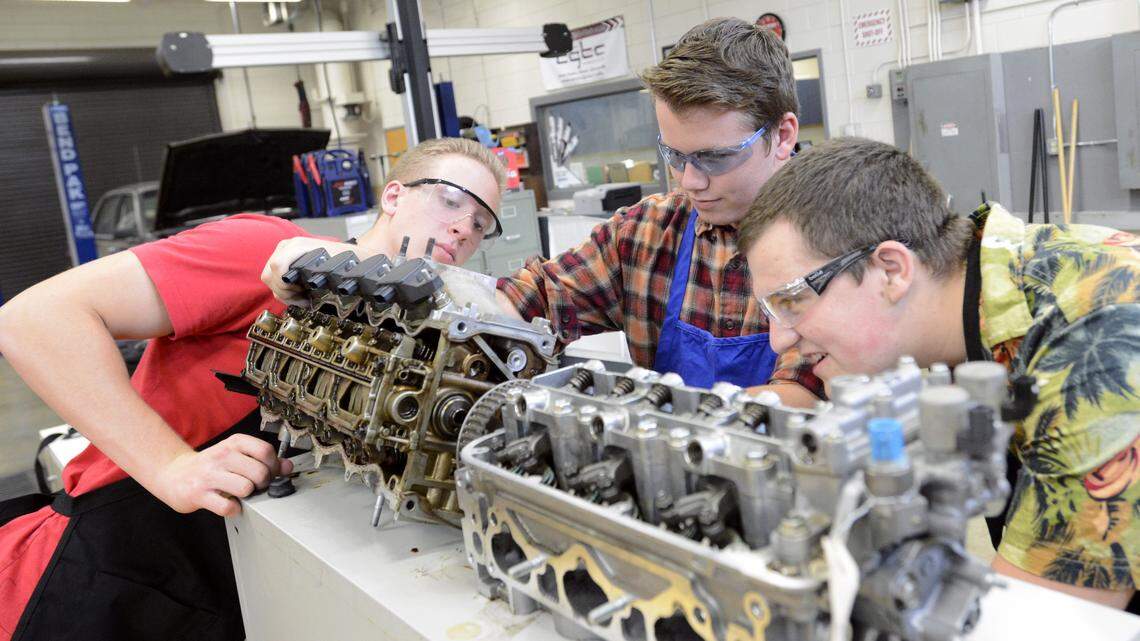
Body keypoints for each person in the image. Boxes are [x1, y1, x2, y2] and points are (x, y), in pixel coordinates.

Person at [0, 137, 506, 640]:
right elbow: (32, 319)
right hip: (104, 574)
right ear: (393, 196)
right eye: (450, 198)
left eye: (482, 223)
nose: (463, 227)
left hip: (228, 592)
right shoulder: (267, 252)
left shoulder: (423, 344)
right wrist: (171, 465)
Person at [265, 17, 825, 403]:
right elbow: (524, 303)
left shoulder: (838, 233)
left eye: (715, 157)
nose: (689, 180)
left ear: (782, 135)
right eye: (673, 155)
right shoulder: (648, 233)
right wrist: (360, 271)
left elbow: (806, 391)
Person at [737, 136, 1140, 609]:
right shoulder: (980, 296)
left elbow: (1045, 619)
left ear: (891, 270)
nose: (779, 341)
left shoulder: (1094, 339)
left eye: (792, 301)